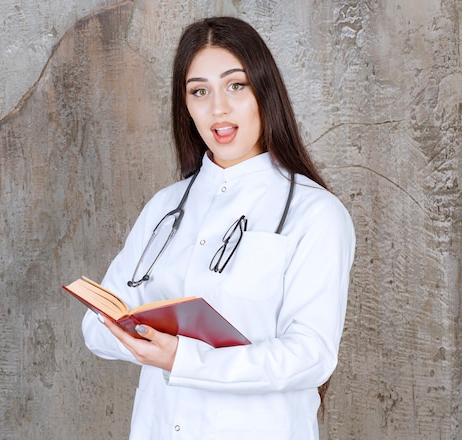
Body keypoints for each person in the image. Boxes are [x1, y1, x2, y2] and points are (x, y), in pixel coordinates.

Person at [81, 16, 355, 440]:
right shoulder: (165, 207)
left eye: (236, 86)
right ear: (185, 105)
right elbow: (96, 324)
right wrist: (135, 335)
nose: (218, 109)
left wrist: (184, 359)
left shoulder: (315, 213)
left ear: (265, 92)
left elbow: (311, 356)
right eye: (199, 91)